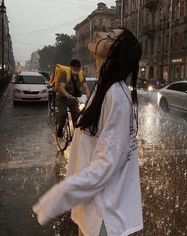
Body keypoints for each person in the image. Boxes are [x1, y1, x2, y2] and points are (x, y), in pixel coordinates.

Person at [33, 28, 143, 236]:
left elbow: (106, 165)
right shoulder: (104, 88)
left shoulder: (115, 96)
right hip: (91, 210)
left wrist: (59, 195)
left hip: (104, 216)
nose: (99, 33)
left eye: (109, 34)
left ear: (114, 51)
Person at [56, 59, 90, 138]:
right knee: (63, 114)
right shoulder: (65, 74)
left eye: (78, 68)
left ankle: (77, 136)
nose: (76, 70)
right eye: (75, 68)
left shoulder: (81, 75)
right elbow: (61, 87)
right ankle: (60, 129)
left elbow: (85, 87)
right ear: (71, 67)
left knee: (77, 116)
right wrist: (67, 94)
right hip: (62, 99)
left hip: (73, 99)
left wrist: (89, 96)